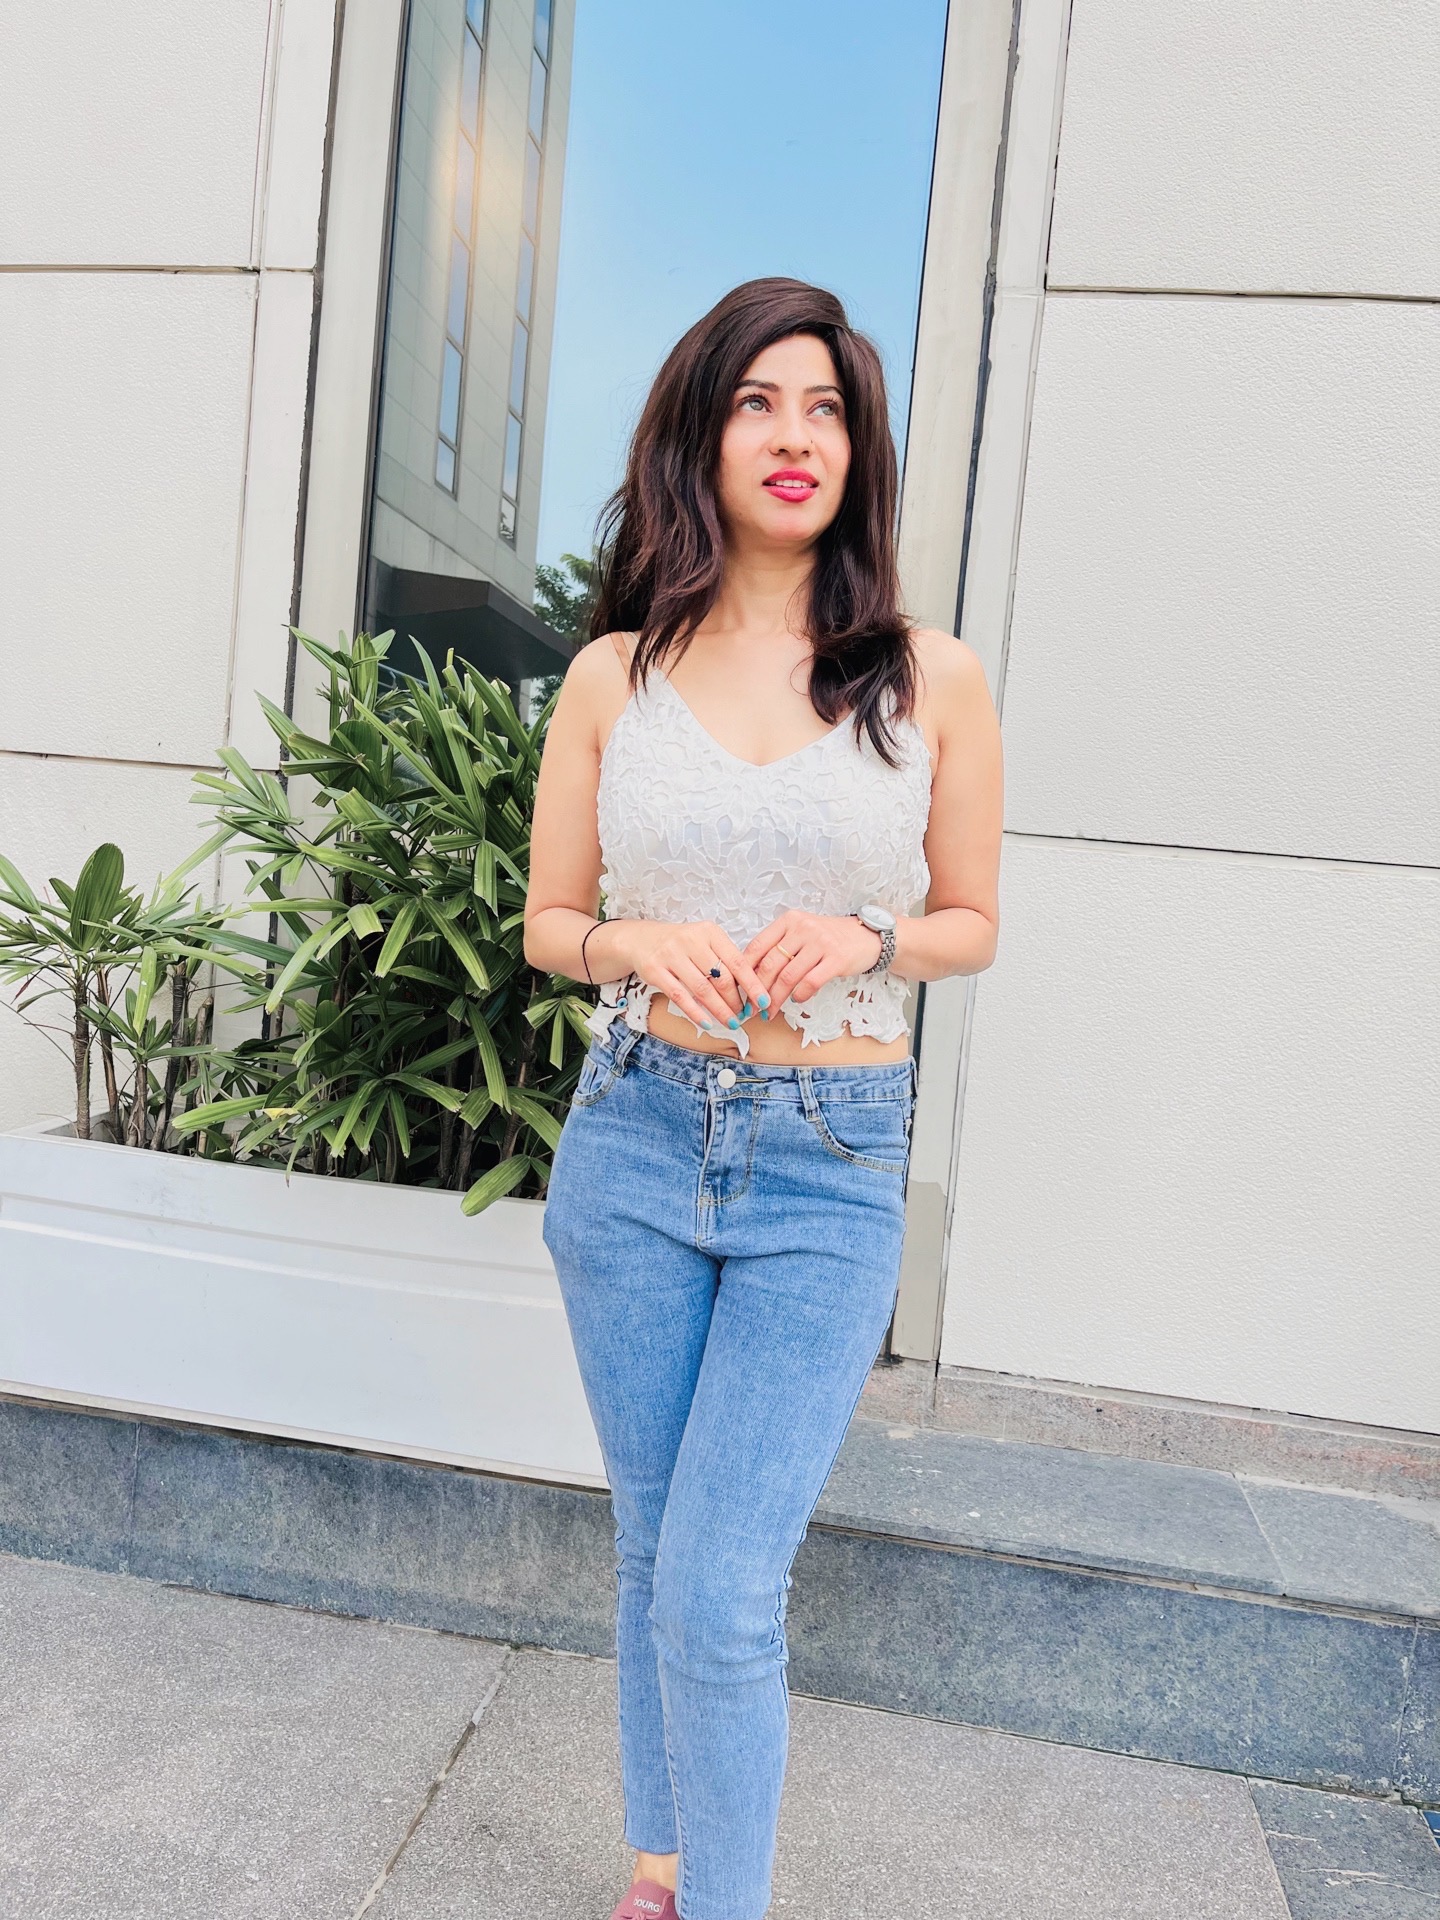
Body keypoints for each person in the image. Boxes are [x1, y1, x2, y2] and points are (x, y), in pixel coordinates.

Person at [524, 277, 1003, 1920]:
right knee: (655, 1545)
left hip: (828, 1156)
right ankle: (663, 1863)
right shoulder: (615, 676)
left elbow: (972, 921)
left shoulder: (928, 678)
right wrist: (627, 941)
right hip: (638, 1131)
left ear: (858, 452)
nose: (795, 436)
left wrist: (870, 935)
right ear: (702, 434)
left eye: (827, 409)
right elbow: (548, 923)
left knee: (724, 1589)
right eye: (758, 402)